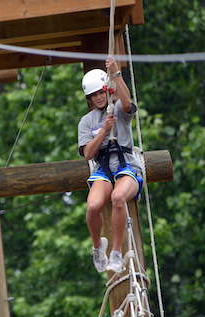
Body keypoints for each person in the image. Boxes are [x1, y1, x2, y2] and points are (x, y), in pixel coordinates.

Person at [77, 57, 144, 274]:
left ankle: (116, 252)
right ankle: (99, 247)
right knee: (93, 207)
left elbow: (127, 103)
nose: (98, 98)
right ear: (89, 98)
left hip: (127, 167)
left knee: (118, 198)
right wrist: (104, 130)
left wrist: (116, 74)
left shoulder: (117, 110)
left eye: (101, 92)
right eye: (94, 95)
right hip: (103, 169)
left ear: (107, 91)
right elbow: (88, 153)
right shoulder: (87, 122)